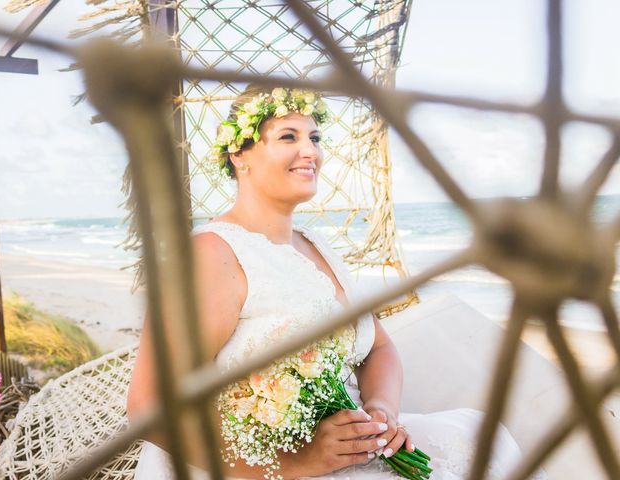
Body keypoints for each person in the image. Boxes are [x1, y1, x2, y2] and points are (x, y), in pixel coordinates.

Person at [127, 85, 545, 479]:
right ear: (239, 153)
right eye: (288, 137)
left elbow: (377, 346)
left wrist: (382, 411)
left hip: (346, 446)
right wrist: (299, 459)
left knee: (477, 437)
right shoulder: (211, 255)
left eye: (316, 137)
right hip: (259, 465)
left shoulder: (315, 245)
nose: (309, 151)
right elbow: (149, 407)